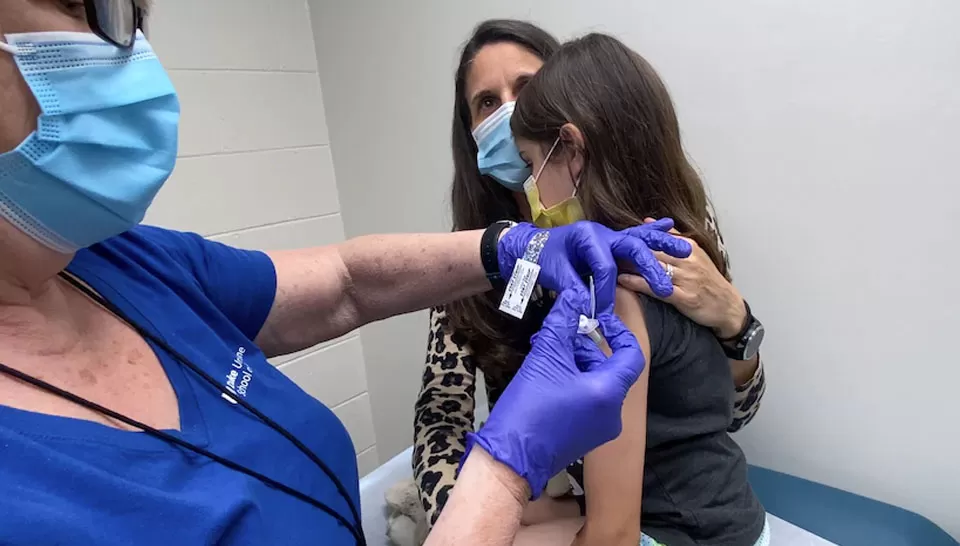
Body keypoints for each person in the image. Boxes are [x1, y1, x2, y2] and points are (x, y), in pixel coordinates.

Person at [0, 2, 694, 545]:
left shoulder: (121, 264)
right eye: (79, 6)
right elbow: (440, 419)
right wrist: (501, 479)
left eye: (131, 18)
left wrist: (735, 332)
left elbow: (345, 280)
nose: (129, 52)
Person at [413, 18, 767, 531]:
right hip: (547, 491)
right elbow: (440, 420)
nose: (508, 112)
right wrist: (482, 519)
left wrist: (737, 322)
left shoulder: (645, 251)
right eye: (486, 102)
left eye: (526, 89)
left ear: (569, 126)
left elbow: (720, 409)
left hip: (639, 506)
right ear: (469, 131)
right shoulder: (472, 261)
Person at [511, 33, 768, 545]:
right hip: (732, 519)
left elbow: (613, 537)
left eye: (529, 164)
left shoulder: (617, 292)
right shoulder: (679, 249)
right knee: (524, 517)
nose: (530, 189)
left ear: (573, 151)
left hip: (684, 534)